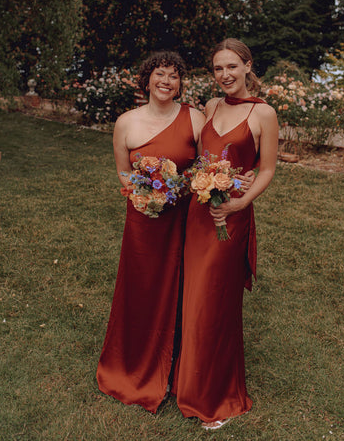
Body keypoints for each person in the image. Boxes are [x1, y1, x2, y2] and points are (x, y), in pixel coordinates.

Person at [174, 38, 279, 430]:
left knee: (214, 303)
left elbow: (266, 169)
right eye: (218, 68)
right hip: (199, 215)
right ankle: (188, 383)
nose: (225, 75)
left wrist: (238, 202)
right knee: (192, 297)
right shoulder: (211, 107)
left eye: (232, 66)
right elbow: (203, 157)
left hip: (229, 219)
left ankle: (216, 397)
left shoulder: (263, 113)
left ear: (248, 66)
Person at [97, 51, 205, 413]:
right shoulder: (126, 122)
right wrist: (147, 196)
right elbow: (124, 175)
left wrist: (180, 186)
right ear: (147, 79)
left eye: (174, 76)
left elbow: (207, 165)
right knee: (140, 289)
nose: (166, 81)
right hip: (143, 222)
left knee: (183, 288)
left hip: (183, 221)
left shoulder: (195, 119)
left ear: (180, 84)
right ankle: (131, 363)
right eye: (160, 74)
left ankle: (178, 369)